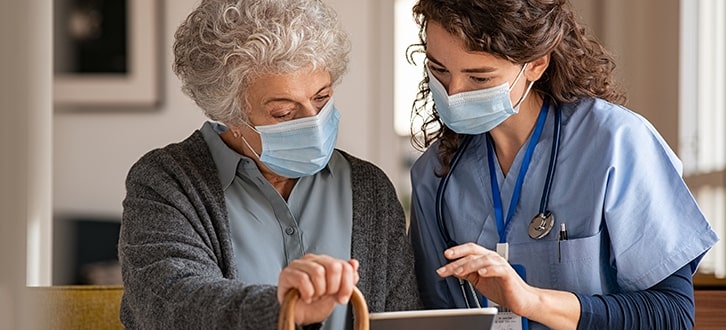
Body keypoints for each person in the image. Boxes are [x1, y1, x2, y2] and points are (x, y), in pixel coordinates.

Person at [406, 0, 719, 329]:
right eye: (439, 70)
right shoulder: (435, 176)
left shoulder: (615, 144)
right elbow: (432, 314)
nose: (453, 93)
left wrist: (533, 301)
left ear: (536, 64)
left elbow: (673, 314)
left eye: (480, 78)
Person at [118, 0, 421, 329]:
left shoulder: (368, 188)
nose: (314, 122)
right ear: (229, 115)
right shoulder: (167, 182)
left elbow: (402, 316)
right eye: (284, 112)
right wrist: (280, 307)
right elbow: (171, 302)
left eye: (321, 98)